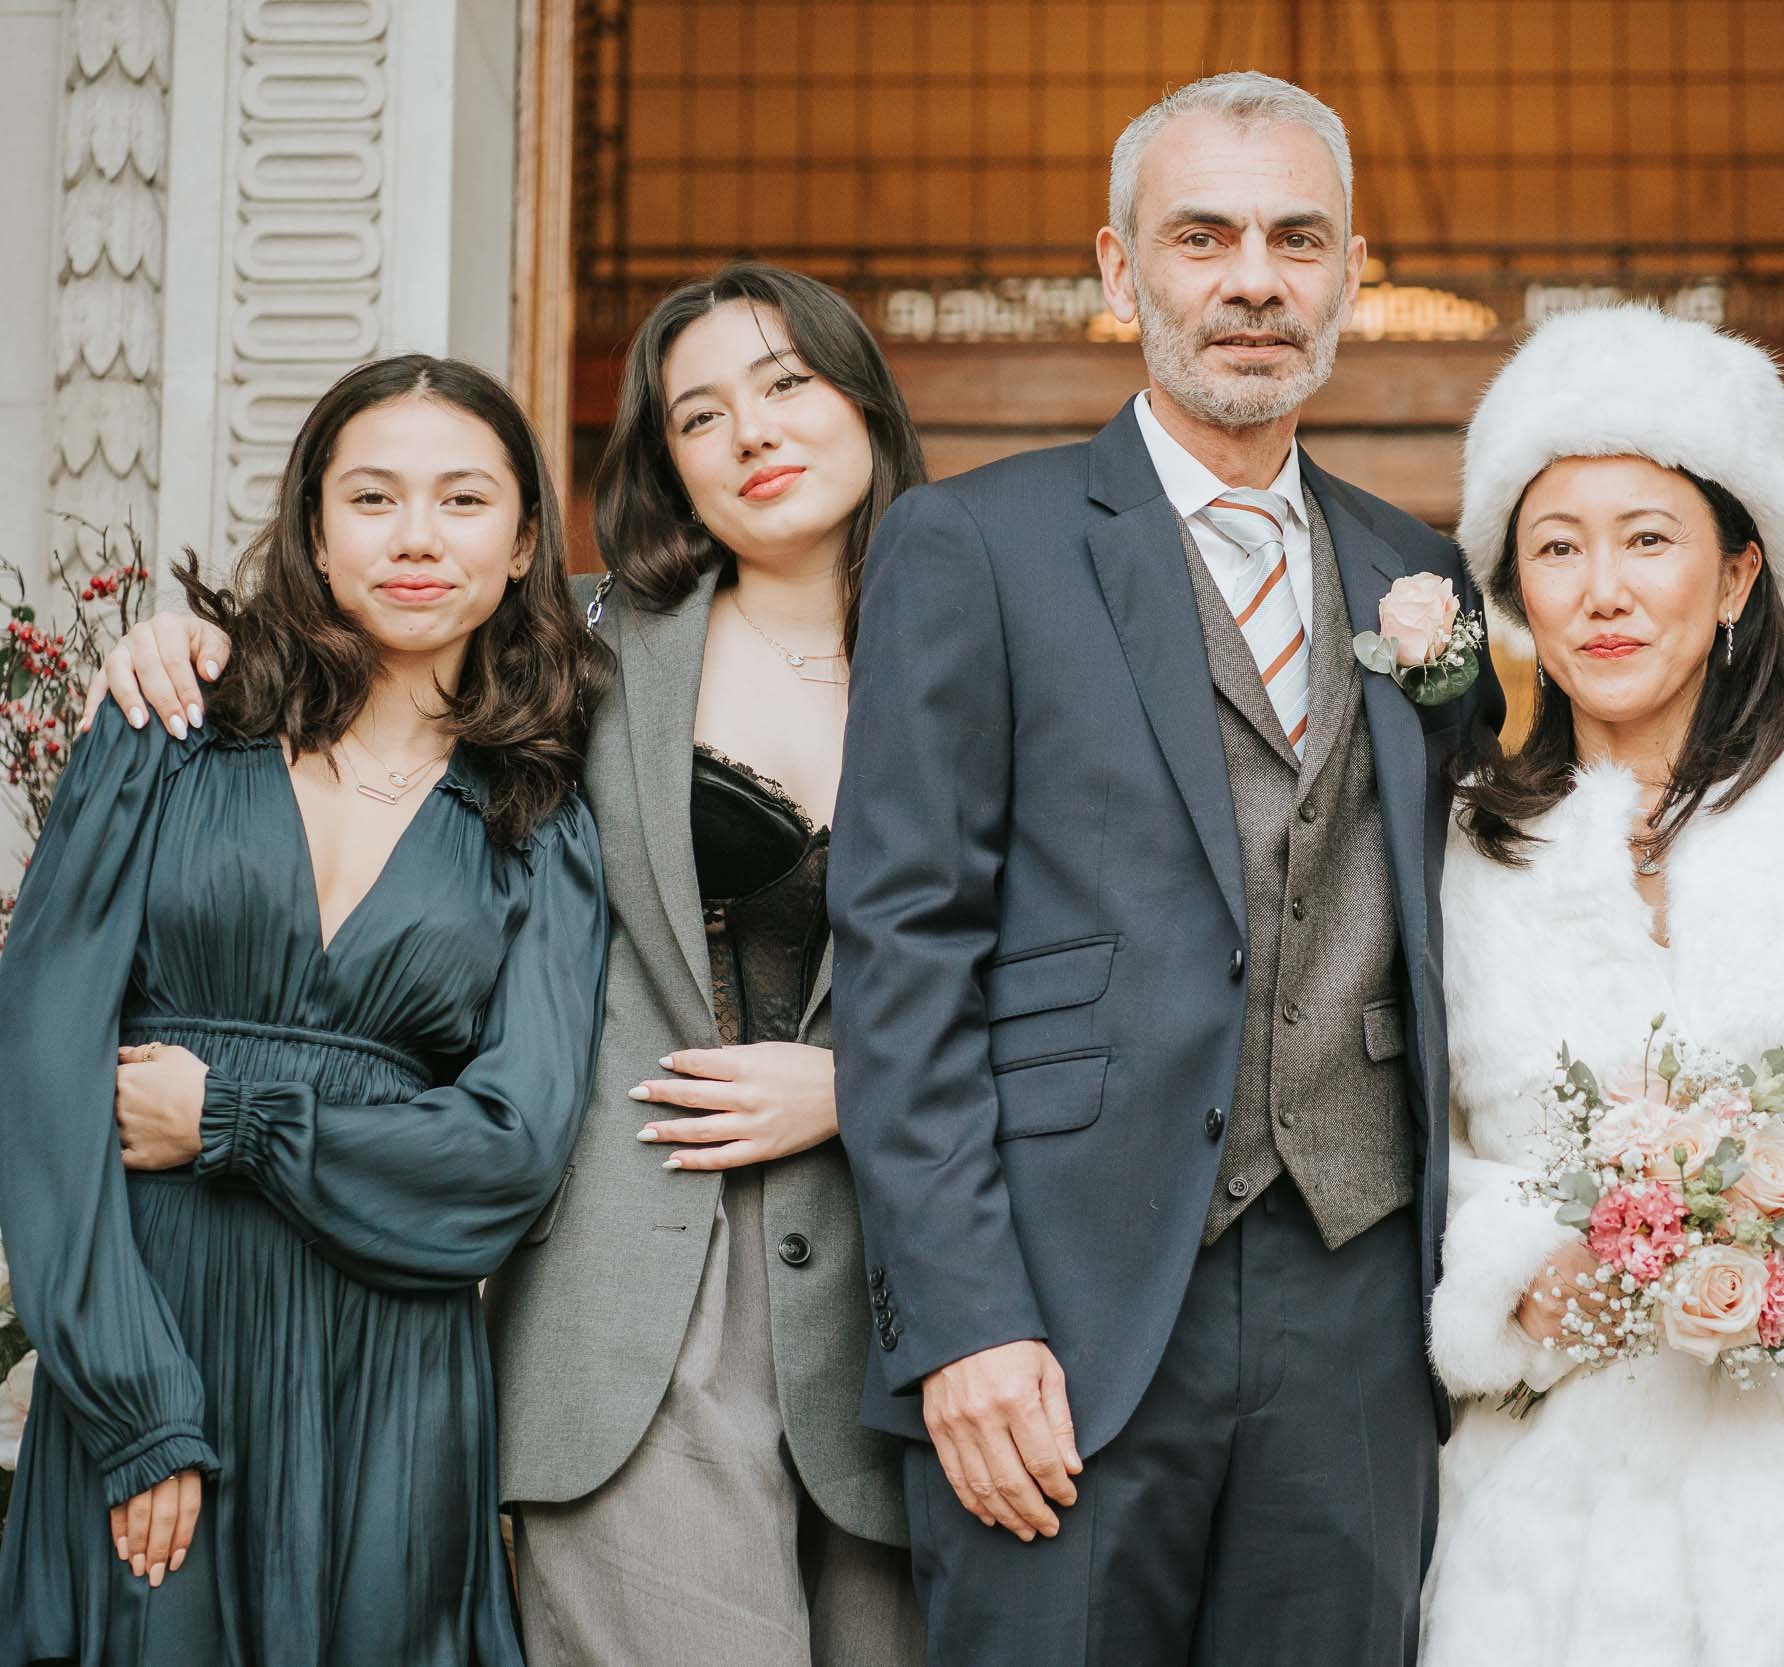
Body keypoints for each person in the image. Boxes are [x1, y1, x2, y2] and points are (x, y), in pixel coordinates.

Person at [83, 264, 931, 1667]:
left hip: (911, 1300)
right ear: (662, 460)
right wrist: (193, 642)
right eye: (699, 413)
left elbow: (1083, 964)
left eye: (785, 385)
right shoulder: (577, 648)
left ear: (863, 399)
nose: (753, 434)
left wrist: (864, 1084)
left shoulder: (1008, 641)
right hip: (630, 1300)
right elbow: (378, 633)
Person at [826, 72, 1503, 1664]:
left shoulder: (1423, 575)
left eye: (1297, 239)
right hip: (1059, 1294)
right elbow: (901, 943)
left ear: (1349, 274)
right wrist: (964, 1316)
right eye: (1202, 237)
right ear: (1123, 276)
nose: (1253, 278)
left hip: (1360, 1296)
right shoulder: (971, 544)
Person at [0, 355, 608, 1665]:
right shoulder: (165, 728)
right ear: (316, 532)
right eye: (374, 498)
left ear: (519, 546)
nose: (415, 538)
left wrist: (235, 1117)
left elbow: (511, 1148)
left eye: (462, 500)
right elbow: (43, 1069)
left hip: (389, 1376)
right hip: (161, 1327)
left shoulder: (539, 814)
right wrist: (139, 1405)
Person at [1415, 303, 1784, 1665]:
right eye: (1558, 548)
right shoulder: (1454, 848)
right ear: (1517, 596)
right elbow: (1406, 1151)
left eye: (1647, 539)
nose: (1603, 589)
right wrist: (1519, 1281)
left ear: (1735, 575)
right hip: (1543, 1536)